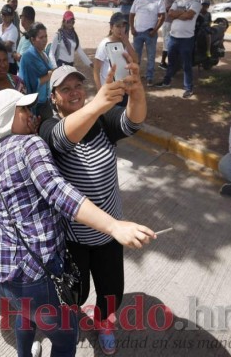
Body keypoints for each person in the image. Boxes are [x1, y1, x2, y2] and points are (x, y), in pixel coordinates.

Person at [0, 88, 155, 357]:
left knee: (25, 316)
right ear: (11, 118)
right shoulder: (31, 144)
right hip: (34, 273)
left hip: (0, 270)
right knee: (65, 337)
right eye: (24, 111)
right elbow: (57, 190)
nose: (31, 115)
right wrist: (113, 225)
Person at [40, 61, 147, 355]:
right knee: (76, 292)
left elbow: (133, 122)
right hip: (73, 237)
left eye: (78, 85)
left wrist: (136, 93)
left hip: (110, 233)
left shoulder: (102, 120)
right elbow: (64, 137)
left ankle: (104, 323)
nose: (74, 92)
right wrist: (97, 104)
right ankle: (72, 322)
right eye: (65, 88)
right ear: (54, 97)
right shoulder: (48, 127)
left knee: (111, 291)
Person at [156, 0, 201, 98]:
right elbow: (170, 13)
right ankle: (166, 81)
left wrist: (179, 14)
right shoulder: (177, 1)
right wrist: (183, 13)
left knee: (186, 64)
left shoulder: (196, 3)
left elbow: (189, 15)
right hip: (173, 37)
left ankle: (188, 88)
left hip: (187, 38)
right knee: (171, 62)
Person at [129, 0, 165, 87]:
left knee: (151, 56)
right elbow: (131, 15)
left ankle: (149, 77)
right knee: (136, 57)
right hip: (138, 33)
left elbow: (162, 16)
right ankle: (135, 76)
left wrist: (155, 30)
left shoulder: (158, 0)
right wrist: (132, 28)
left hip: (150, 33)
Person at [94, 13, 138, 99]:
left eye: (123, 26)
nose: (121, 29)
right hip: (110, 88)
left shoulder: (126, 43)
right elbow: (96, 70)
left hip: (125, 87)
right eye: (118, 26)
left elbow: (136, 60)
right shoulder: (105, 44)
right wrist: (99, 91)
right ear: (111, 27)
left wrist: (126, 42)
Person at [19, 22, 53, 120]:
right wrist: (49, 76)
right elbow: (30, 83)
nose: (45, 40)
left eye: (45, 36)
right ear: (32, 40)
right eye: (41, 37)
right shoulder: (28, 57)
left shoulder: (43, 53)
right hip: (35, 105)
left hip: (45, 101)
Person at [159, 0, 183, 69]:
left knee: (173, 44)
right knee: (167, 44)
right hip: (168, 23)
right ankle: (162, 62)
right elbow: (169, 10)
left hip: (175, 23)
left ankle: (172, 63)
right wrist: (181, 12)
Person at [0, 4, 19, 75]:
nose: (4, 17)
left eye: (7, 15)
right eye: (3, 15)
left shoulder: (13, 29)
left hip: (9, 63)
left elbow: (8, 46)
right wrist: (3, 43)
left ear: (12, 16)